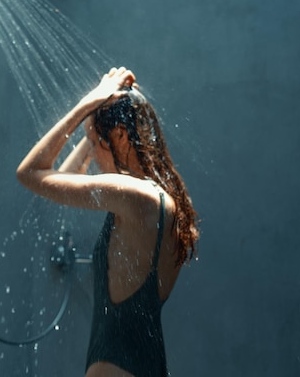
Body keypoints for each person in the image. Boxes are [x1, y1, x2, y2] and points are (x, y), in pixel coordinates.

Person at [17, 67, 199, 377]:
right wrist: (96, 128)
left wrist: (88, 103)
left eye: (95, 142)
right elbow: (67, 182)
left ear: (120, 137)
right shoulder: (158, 200)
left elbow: (31, 172)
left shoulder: (134, 195)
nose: (96, 162)